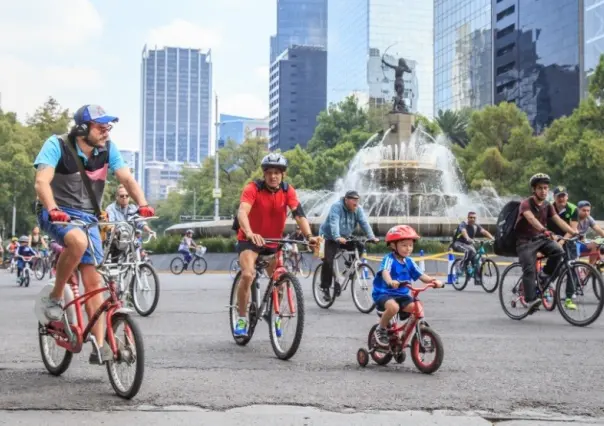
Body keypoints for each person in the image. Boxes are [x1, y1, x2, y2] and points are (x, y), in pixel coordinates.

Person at [34, 104, 154, 364]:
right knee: (77, 240)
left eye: (108, 127)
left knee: (94, 283)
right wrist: (53, 208)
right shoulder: (57, 145)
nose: (106, 132)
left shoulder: (108, 150)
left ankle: (100, 347)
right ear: (81, 128)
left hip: (89, 217)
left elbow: (127, 179)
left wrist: (143, 204)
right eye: (101, 127)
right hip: (57, 212)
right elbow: (42, 181)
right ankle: (55, 297)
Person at [235, 153, 318, 337]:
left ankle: (276, 315)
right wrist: (249, 232)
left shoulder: (288, 191)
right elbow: (242, 212)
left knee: (279, 281)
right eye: (269, 172)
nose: (273, 176)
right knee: (248, 275)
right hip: (250, 240)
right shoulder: (252, 188)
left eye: (277, 173)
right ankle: (241, 318)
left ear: (283, 175)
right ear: (264, 174)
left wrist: (310, 236)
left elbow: (299, 215)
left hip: (273, 241)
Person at [372, 225, 444, 346]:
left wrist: (434, 281)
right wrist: (390, 281)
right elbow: (385, 271)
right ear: (393, 245)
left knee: (418, 307)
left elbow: (421, 275)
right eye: (404, 245)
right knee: (393, 308)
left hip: (402, 295)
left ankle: (422, 331)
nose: (408, 248)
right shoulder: (389, 259)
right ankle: (381, 329)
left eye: (410, 245)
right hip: (384, 293)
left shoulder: (409, 261)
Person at [515, 174, 577, 312]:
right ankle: (530, 300)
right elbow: (531, 219)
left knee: (558, 251)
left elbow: (559, 221)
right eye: (540, 188)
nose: (543, 191)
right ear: (534, 190)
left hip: (540, 239)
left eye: (545, 188)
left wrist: (574, 232)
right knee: (529, 269)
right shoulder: (526, 204)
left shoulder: (548, 206)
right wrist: (544, 230)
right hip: (525, 241)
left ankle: (544, 276)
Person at [318, 190, 379, 302]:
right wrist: (337, 236)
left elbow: (364, 223)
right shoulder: (336, 207)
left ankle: (349, 268)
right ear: (346, 200)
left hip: (344, 237)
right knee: (327, 261)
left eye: (357, 200)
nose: (356, 203)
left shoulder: (358, 209)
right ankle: (325, 287)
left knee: (359, 246)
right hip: (328, 237)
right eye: (353, 200)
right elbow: (334, 222)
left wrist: (372, 237)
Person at [106, 184, 156, 262]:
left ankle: (137, 267)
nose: (124, 198)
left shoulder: (133, 208)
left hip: (130, 239)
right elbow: (111, 223)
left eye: (127, 195)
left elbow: (140, 222)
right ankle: (114, 266)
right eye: (122, 196)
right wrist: (114, 229)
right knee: (114, 257)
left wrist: (149, 230)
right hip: (116, 239)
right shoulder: (110, 208)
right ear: (117, 197)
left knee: (138, 247)